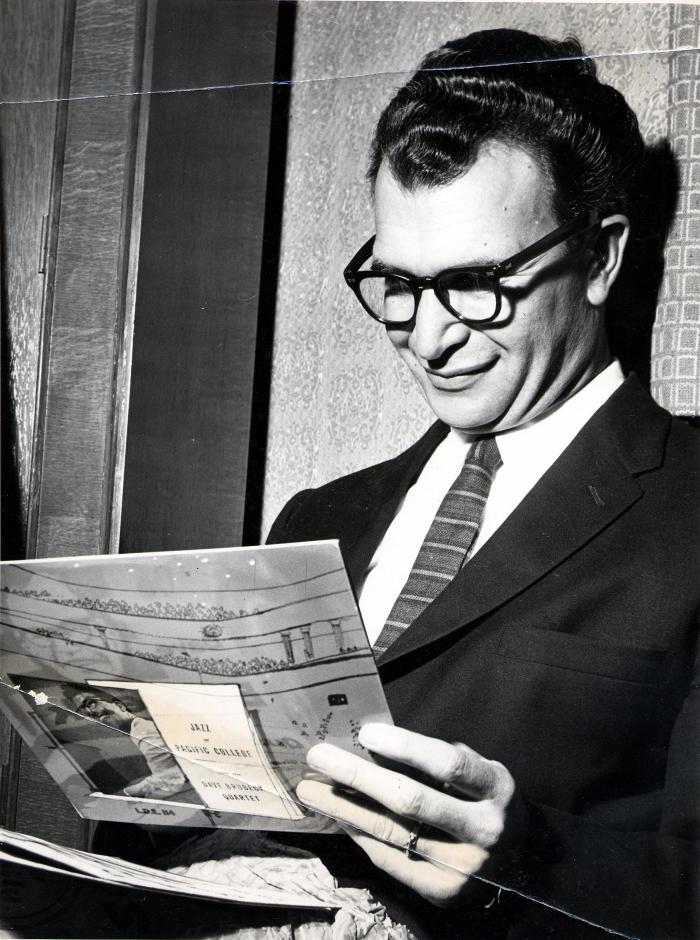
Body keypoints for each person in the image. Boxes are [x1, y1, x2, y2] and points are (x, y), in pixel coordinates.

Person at [267, 29, 699, 940]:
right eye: (398, 283)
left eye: (475, 284)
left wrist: (526, 862)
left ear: (603, 258)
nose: (428, 338)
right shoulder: (317, 521)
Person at [72, 691, 187, 798]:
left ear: (120, 706)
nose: (90, 711)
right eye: (85, 712)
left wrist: (121, 796)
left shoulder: (142, 730)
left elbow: (170, 779)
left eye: (91, 703)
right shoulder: (136, 733)